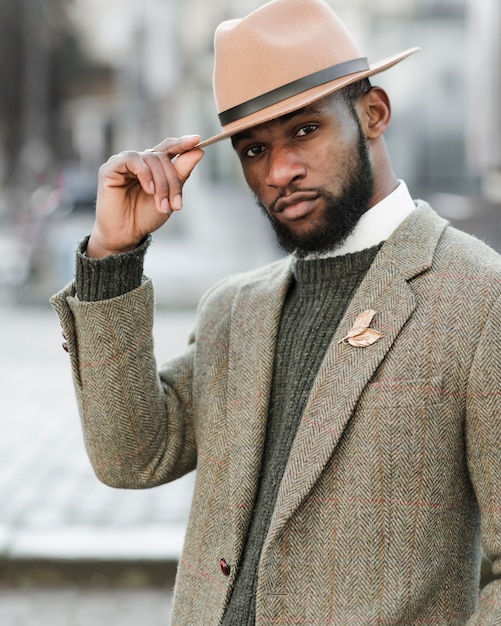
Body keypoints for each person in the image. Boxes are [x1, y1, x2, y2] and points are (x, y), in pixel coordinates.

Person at [51, 0, 501, 623]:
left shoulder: (478, 299)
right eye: (254, 149)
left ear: (373, 114)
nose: (280, 171)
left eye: (305, 131)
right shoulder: (235, 310)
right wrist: (113, 257)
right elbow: (131, 457)